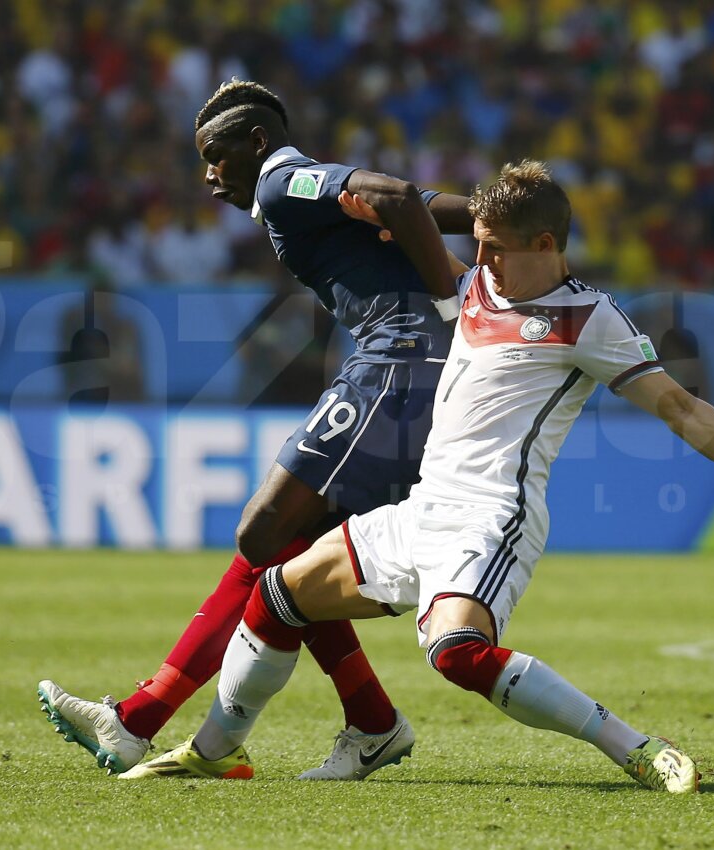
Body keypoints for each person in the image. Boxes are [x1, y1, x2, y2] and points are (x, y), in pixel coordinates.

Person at [120, 161, 714, 790]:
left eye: (498, 250)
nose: (484, 262)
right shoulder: (470, 290)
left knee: (456, 654)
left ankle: (638, 749)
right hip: (420, 509)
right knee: (279, 595)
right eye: (478, 246)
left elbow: (681, 407)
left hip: (492, 517)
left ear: (547, 245)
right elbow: (396, 212)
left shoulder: (589, 320)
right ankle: (212, 751)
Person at [37, 79, 474, 779]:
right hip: (412, 372)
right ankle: (369, 722)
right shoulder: (310, 194)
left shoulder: (279, 182)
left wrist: (451, 309)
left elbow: (395, 196)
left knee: (261, 532)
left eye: (216, 156)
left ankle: (139, 720)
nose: (210, 178)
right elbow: (408, 206)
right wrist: (488, 214)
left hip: (398, 366)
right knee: (289, 553)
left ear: (257, 143)